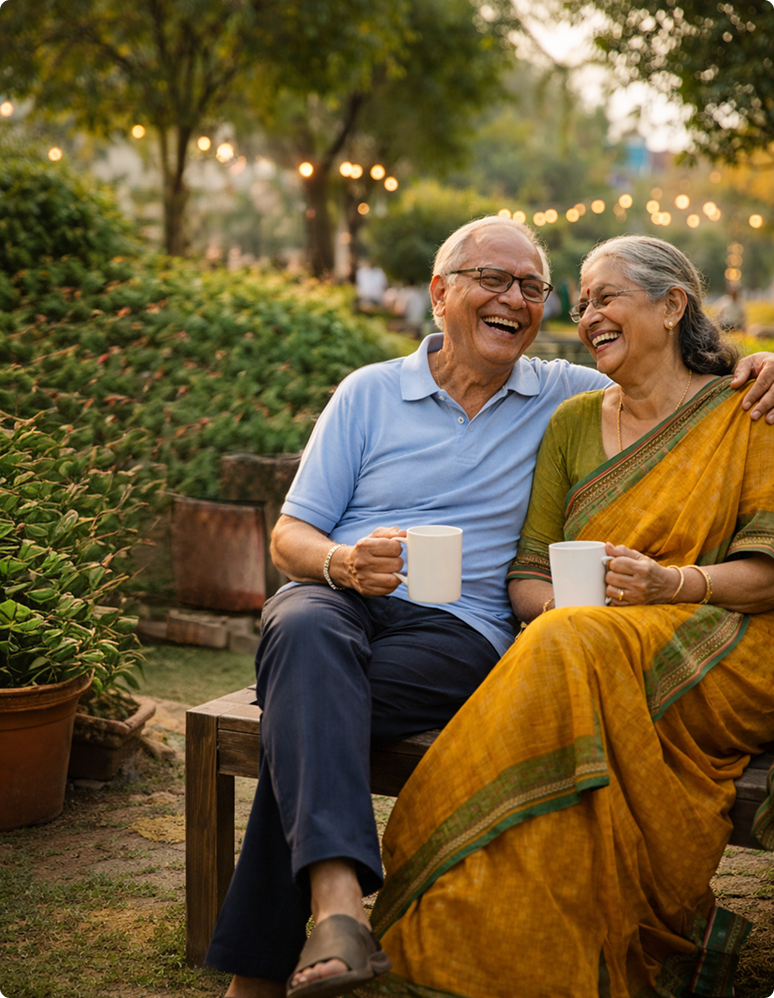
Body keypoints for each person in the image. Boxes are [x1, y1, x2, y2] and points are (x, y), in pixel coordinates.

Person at [205, 218, 774, 998]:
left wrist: (763, 362)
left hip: (457, 633)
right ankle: (338, 912)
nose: (521, 300)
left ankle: (262, 972)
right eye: (494, 280)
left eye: (535, 289)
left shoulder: (561, 392)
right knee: (302, 627)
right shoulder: (370, 392)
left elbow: (678, 384)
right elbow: (289, 534)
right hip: (342, 604)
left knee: (302, 701)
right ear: (439, 293)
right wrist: (342, 561)